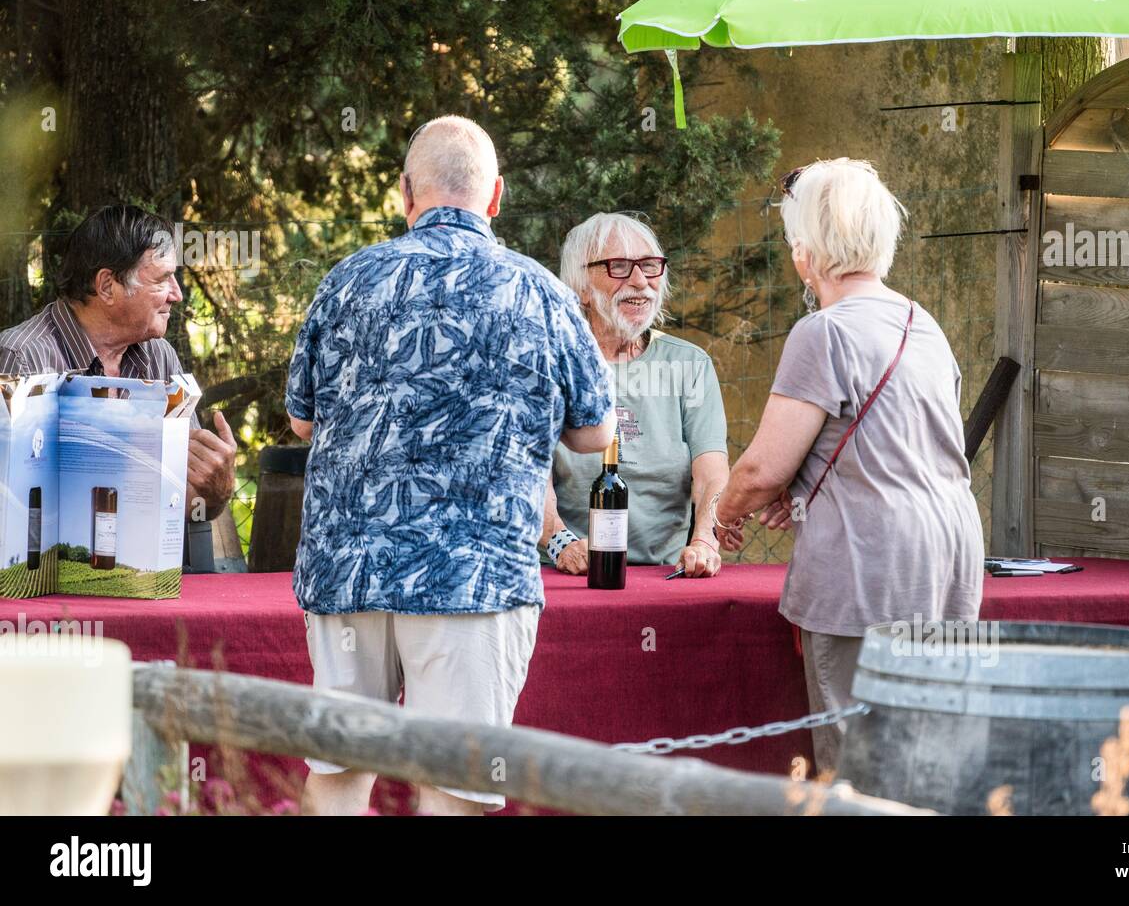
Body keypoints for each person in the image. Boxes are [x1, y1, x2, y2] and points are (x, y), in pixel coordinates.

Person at [286, 115, 615, 815]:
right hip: (475, 577)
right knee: (457, 788)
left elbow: (302, 419)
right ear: (495, 197)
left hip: (351, 570)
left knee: (339, 771)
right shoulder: (541, 293)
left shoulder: (344, 281)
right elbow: (594, 434)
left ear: (406, 192)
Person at [713, 158, 983, 775]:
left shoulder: (823, 331)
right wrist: (809, 486)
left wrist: (721, 516)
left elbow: (761, 471)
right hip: (949, 556)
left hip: (871, 560)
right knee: (927, 752)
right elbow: (891, 444)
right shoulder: (926, 325)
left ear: (806, 252)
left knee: (860, 761)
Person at [0, 204, 238, 540]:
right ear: (107, 286)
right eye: (162, 279)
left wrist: (214, 492)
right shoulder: (22, 359)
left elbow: (185, 499)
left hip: (139, 576)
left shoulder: (160, 357)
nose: (177, 295)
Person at [540, 212, 730, 578]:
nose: (640, 281)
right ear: (581, 287)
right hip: (568, 574)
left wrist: (705, 539)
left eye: (649, 266)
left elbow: (711, 473)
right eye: (620, 267)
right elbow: (530, 474)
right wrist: (559, 540)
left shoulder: (689, 364)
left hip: (665, 574)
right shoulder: (551, 362)